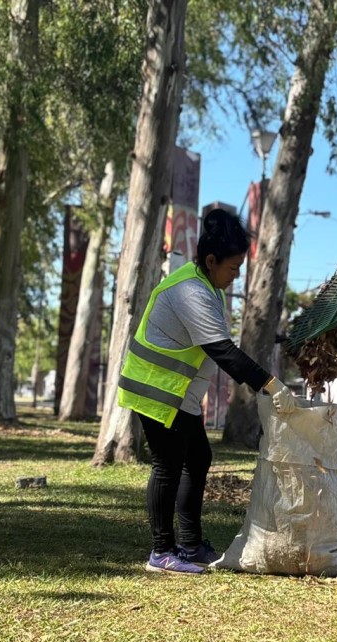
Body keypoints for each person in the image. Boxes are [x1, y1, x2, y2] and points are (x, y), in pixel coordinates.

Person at [118, 209, 291, 575]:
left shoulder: (207, 286)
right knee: (168, 465)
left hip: (179, 393)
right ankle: (162, 552)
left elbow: (221, 343)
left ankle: (190, 543)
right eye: (232, 267)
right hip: (158, 389)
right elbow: (222, 351)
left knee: (198, 458)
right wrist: (271, 384)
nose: (237, 274)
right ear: (210, 261)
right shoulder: (189, 290)